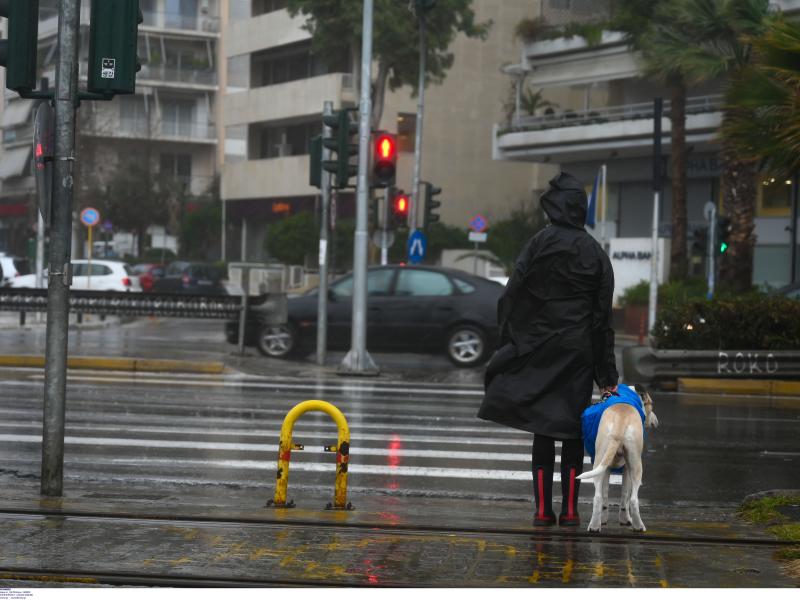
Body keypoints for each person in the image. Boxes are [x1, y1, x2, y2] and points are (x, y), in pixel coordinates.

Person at [478, 172, 618, 527]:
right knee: (572, 428)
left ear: (554, 206)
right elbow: (602, 320)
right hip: (578, 353)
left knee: (543, 427)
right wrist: (607, 376)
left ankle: (542, 511)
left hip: (540, 345)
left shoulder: (538, 243)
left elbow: (512, 295)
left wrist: (513, 340)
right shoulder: (596, 253)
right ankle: (570, 511)